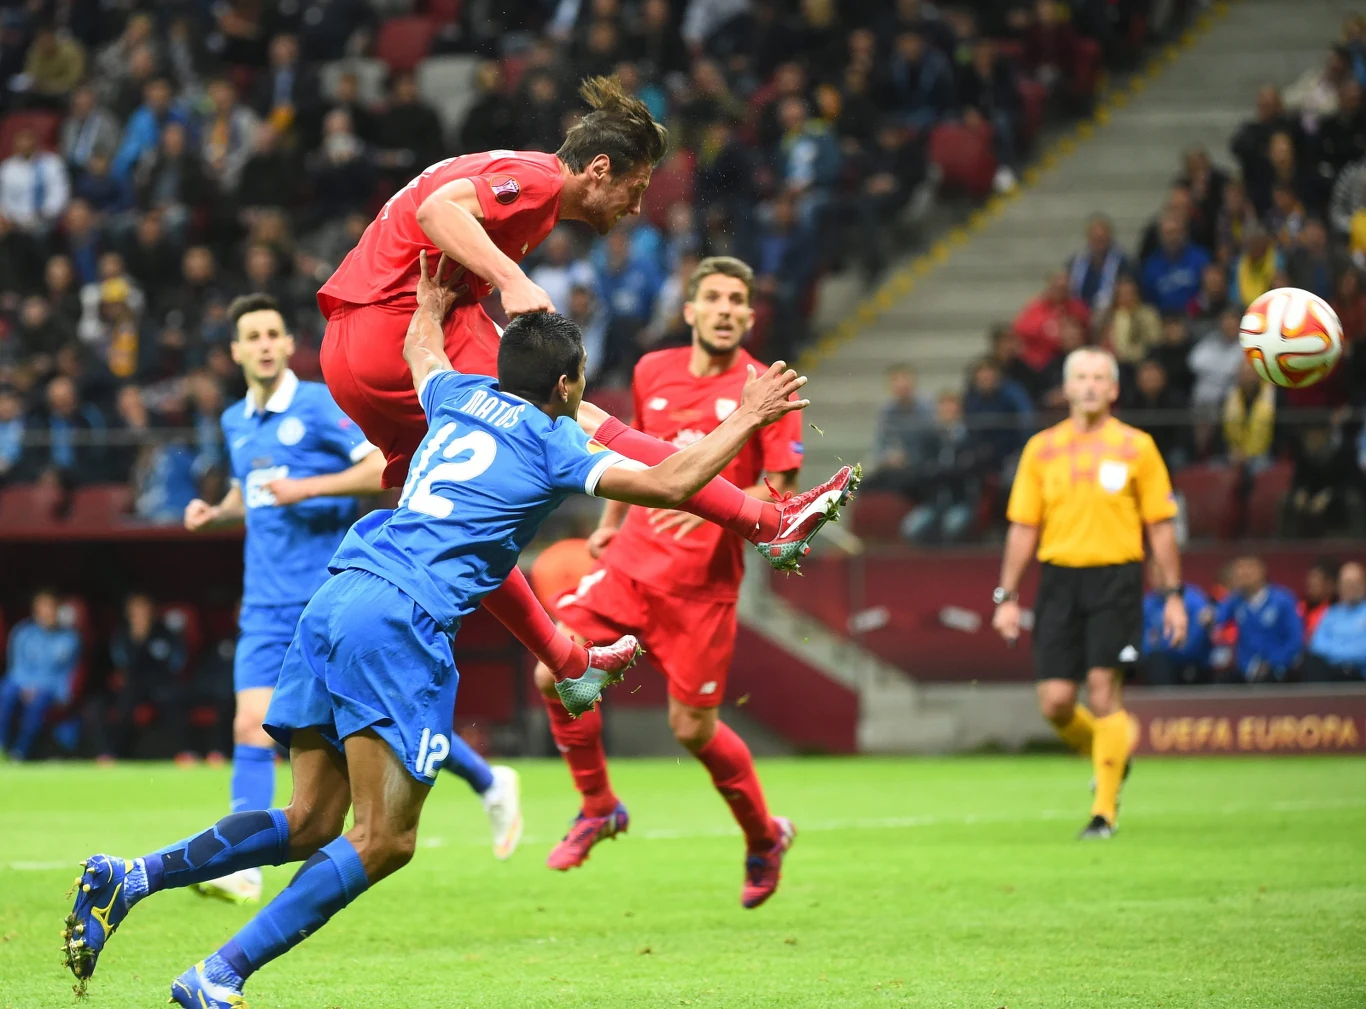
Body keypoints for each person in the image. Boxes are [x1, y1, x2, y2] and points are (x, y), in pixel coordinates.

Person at [62, 252, 814, 1006]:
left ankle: (132, 877)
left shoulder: (457, 395)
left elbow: (421, 350)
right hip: (400, 620)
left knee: (311, 819)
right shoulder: (556, 440)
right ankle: (216, 976)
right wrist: (750, 416)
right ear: (565, 385)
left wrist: (428, 299)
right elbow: (673, 482)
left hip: (337, 592)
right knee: (384, 838)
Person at [313, 73, 857, 695]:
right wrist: (511, 278)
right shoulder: (540, 180)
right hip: (396, 324)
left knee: (465, 519)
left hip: (359, 347)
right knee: (580, 414)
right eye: (635, 189)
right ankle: (765, 523)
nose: (635, 207)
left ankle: (568, 665)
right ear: (599, 169)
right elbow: (437, 211)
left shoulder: (521, 177)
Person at [181, 293, 521, 904]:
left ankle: (489, 779)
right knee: (248, 725)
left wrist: (306, 489)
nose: (262, 344)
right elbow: (250, 493)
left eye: (272, 333)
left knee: (377, 726)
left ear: (288, 344)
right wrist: (216, 515)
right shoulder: (236, 421)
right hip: (263, 601)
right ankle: (242, 870)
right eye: (250, 336)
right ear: (234, 352)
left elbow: (384, 469)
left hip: (329, 595)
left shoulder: (318, 406)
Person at [534, 257, 806, 907]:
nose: (723, 308)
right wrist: (610, 520)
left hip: (703, 588)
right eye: (711, 296)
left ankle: (764, 836)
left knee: (692, 729)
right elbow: (633, 452)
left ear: (749, 314)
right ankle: (598, 805)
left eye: (736, 299)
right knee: (555, 671)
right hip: (632, 563)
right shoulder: (652, 369)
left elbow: (780, 495)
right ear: (688, 310)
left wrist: (704, 501)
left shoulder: (767, 390)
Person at [992, 347, 1187, 839]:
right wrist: (1007, 597)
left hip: (1116, 579)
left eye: (1100, 377)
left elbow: (1161, 528)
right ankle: (1110, 757)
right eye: (1081, 376)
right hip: (1058, 579)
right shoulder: (1041, 448)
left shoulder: (1137, 446)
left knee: (1104, 691)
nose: (1091, 385)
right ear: (1067, 387)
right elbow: (1022, 527)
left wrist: (1173, 595)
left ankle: (1104, 812)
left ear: (1115, 389)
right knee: (1055, 702)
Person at [0, 589, 81, 760]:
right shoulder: (22, 633)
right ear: (35, 610)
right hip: (20, 684)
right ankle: (1, 746)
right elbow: (16, 667)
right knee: (6, 692)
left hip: (50, 689)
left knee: (39, 700)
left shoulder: (70, 638)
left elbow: (67, 675)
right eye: (43, 606)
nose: (48, 611)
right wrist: (26, 686)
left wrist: (38, 687)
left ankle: (20, 752)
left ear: (59, 609)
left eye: (51, 606)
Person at [1213, 557, 1303, 682]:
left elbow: (1295, 639)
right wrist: (1208, 617)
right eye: (1240, 569)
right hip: (1245, 667)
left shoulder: (1283, 600)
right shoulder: (1235, 600)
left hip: (1275, 667)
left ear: (1262, 571)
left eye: (1249, 568)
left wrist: (1275, 661)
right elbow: (1217, 618)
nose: (1243, 573)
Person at [1140, 558, 1212, 685]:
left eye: (1162, 573)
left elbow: (1201, 630)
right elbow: (1144, 641)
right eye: (1153, 574)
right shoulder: (1148, 603)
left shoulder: (1194, 597)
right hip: (1159, 661)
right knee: (1154, 660)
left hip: (1191, 658)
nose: (1158, 579)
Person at [1302, 561, 1366, 681]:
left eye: (1353, 583)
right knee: (1310, 661)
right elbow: (1317, 645)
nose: (1349, 588)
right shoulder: (1331, 613)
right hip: (1332, 671)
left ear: (1363, 584)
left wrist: (1337, 650)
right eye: (1345, 583)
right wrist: (1347, 649)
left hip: (1359, 672)